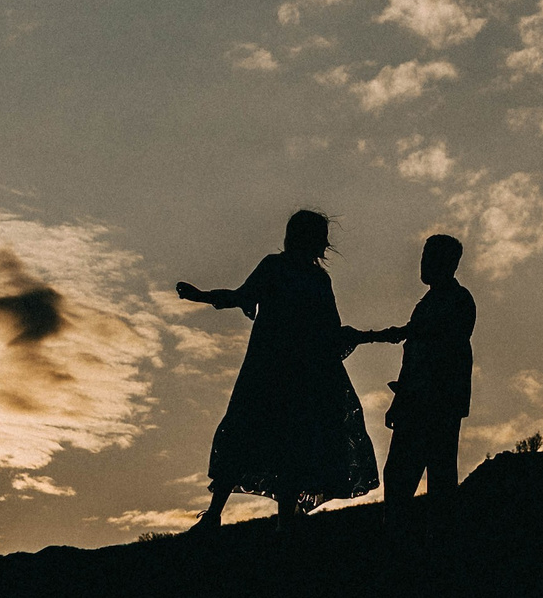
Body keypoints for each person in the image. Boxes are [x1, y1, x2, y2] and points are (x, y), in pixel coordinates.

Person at [175, 210, 377, 531]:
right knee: (270, 438)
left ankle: (235, 517)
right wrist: (202, 296)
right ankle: (232, 516)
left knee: (261, 437)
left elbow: (247, 298)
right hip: (282, 373)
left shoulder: (287, 270)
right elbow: (326, 328)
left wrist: (202, 296)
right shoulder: (298, 274)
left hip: (277, 372)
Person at [358, 234, 476, 504]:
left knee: (431, 476)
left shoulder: (457, 300)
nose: (423, 264)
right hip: (419, 401)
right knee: (409, 475)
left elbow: (432, 348)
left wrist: (374, 336)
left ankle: (421, 539)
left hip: (435, 402)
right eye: (424, 257)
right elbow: (415, 356)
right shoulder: (431, 302)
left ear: (449, 264)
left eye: (430, 258)